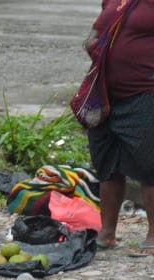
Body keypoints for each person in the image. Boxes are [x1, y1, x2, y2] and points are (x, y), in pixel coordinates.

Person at [83, 0, 154, 255]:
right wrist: (92, 42)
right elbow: (97, 31)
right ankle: (107, 233)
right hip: (105, 95)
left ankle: (153, 236)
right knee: (107, 163)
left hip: (145, 92)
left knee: (149, 164)